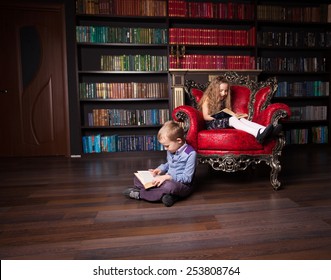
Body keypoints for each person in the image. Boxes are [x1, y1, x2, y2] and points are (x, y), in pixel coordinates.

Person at [123, 120, 197, 207]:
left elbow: (187, 178)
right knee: (137, 178)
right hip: (166, 179)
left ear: (179, 140)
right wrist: (159, 169)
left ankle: (140, 194)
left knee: (170, 187)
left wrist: (167, 177)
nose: (165, 149)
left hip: (182, 185)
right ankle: (168, 196)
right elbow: (169, 164)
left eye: (167, 146)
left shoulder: (191, 154)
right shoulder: (172, 148)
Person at [198, 76, 282, 143]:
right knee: (232, 119)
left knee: (239, 118)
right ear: (214, 90)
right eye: (221, 91)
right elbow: (205, 117)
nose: (224, 93)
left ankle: (265, 130)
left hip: (219, 121)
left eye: (226, 91)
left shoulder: (222, 99)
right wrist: (221, 116)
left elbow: (225, 112)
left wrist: (236, 115)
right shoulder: (207, 98)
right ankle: (258, 134)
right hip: (210, 125)